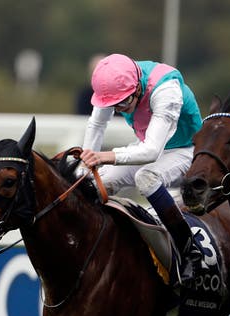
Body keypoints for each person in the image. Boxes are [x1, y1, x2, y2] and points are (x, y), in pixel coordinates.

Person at [77, 53, 203, 284]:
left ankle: (189, 251)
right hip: (152, 147)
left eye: (123, 104)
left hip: (187, 149)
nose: (120, 110)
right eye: (114, 106)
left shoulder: (166, 90)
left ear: (136, 88)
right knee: (93, 183)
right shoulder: (115, 87)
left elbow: (151, 152)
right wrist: (86, 168)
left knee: (146, 177)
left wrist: (104, 156)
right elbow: (96, 124)